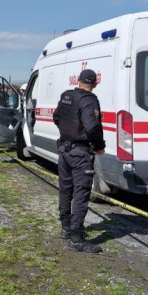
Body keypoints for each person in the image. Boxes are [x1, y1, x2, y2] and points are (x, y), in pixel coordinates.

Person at [53, 69, 106, 254]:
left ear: (78, 80)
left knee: (65, 190)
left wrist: (68, 132)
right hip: (80, 153)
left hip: (64, 151)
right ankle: (76, 238)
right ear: (95, 83)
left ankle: (66, 228)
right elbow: (93, 127)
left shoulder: (67, 96)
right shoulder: (89, 99)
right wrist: (99, 146)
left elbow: (56, 117)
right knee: (81, 194)